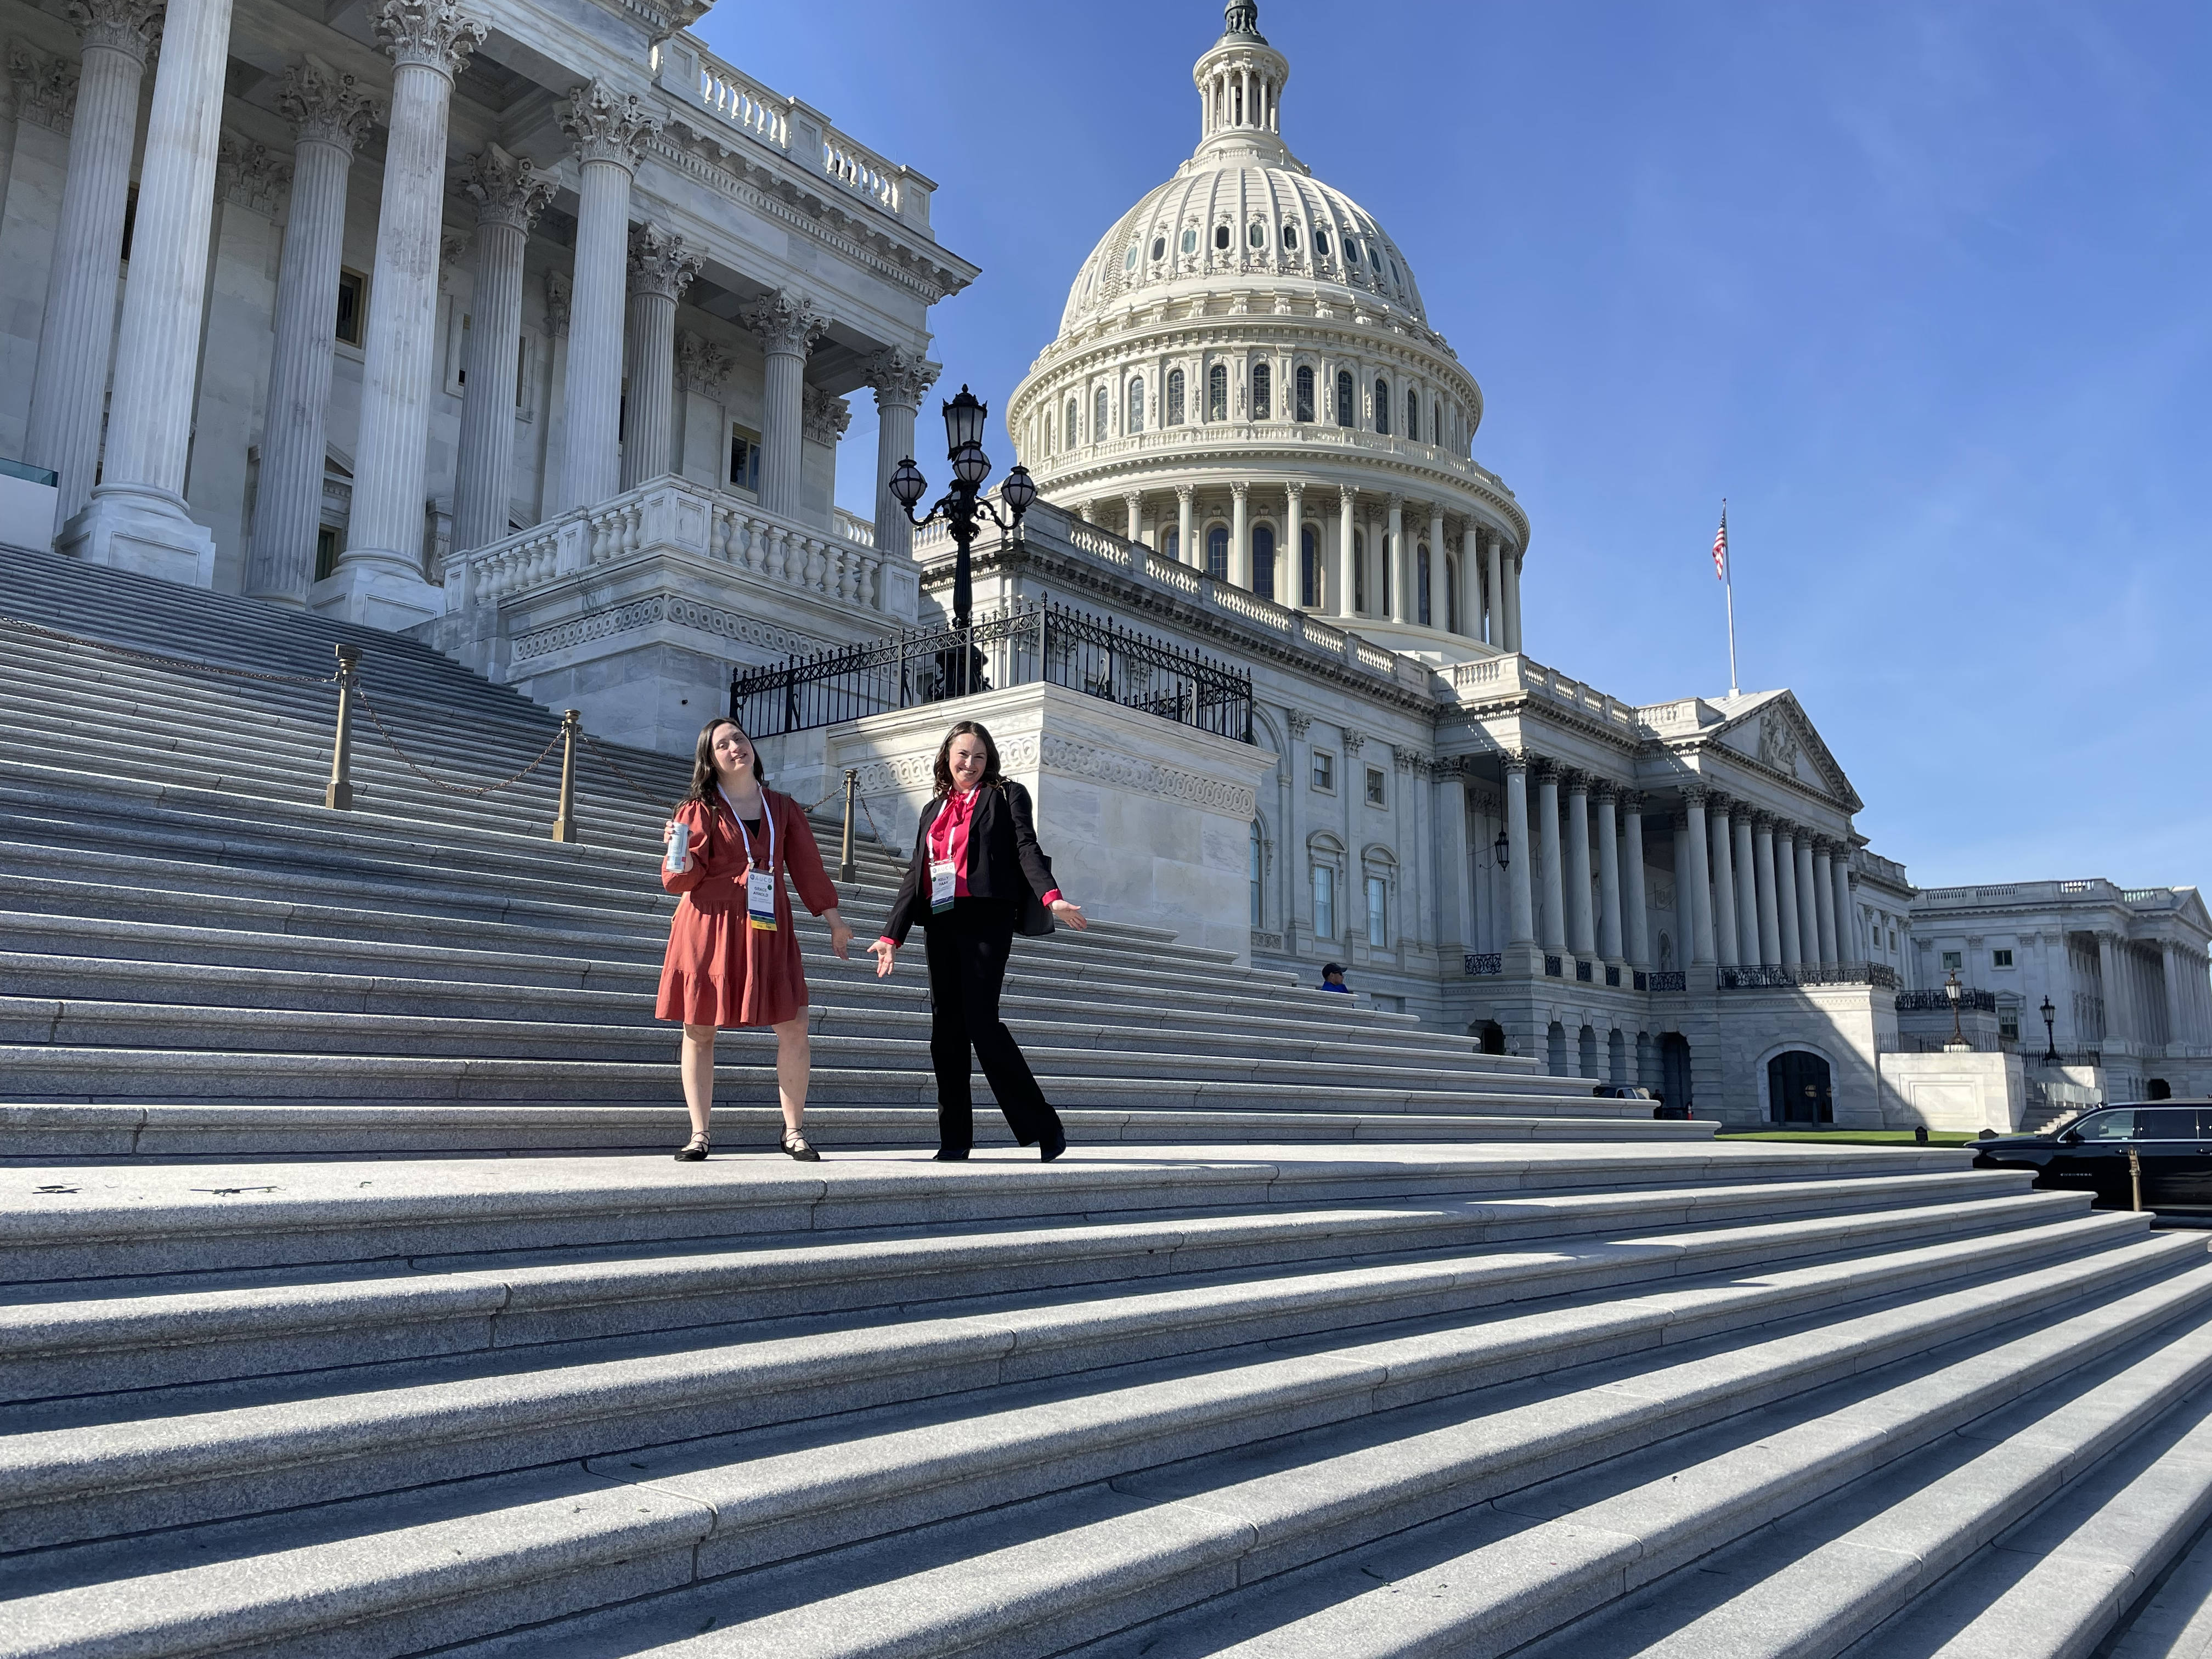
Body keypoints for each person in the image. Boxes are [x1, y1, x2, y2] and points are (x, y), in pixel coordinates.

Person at [871, 721, 1087, 1161]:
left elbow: (1026, 847)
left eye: (979, 757)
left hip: (987, 916)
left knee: (981, 1023)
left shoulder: (1006, 795)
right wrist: (892, 934)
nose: (970, 764)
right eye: (962, 755)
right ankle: (954, 1139)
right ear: (947, 757)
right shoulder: (933, 810)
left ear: (990, 762)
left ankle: (1043, 1125)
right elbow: (917, 873)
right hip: (942, 917)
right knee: (945, 1029)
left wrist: (1053, 897)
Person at [658, 717, 853, 1161]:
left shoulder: (782, 807)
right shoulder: (697, 809)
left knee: (795, 1025)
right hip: (709, 925)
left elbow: (808, 870)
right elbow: (679, 880)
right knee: (699, 1029)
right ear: (710, 760)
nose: (734, 749)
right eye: (722, 745)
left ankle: (794, 1131)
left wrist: (835, 922)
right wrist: (682, 856)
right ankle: (699, 1134)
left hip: (768, 927)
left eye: (739, 740)